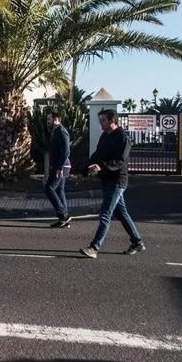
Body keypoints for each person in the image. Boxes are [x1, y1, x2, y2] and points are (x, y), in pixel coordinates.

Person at [80, 109, 145, 259]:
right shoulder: (105, 136)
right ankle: (137, 242)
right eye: (100, 120)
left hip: (117, 181)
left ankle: (94, 248)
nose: (101, 123)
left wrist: (101, 167)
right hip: (107, 179)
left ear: (112, 121)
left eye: (103, 120)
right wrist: (84, 170)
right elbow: (97, 155)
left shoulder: (123, 138)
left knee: (105, 213)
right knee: (121, 213)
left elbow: (119, 161)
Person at [44, 109, 72, 228]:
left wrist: (59, 167)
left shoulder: (61, 131)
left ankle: (63, 215)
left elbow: (66, 151)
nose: (47, 121)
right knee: (59, 191)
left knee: (49, 188)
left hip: (62, 166)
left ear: (56, 120)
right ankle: (64, 220)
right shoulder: (56, 131)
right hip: (59, 166)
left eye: (49, 119)